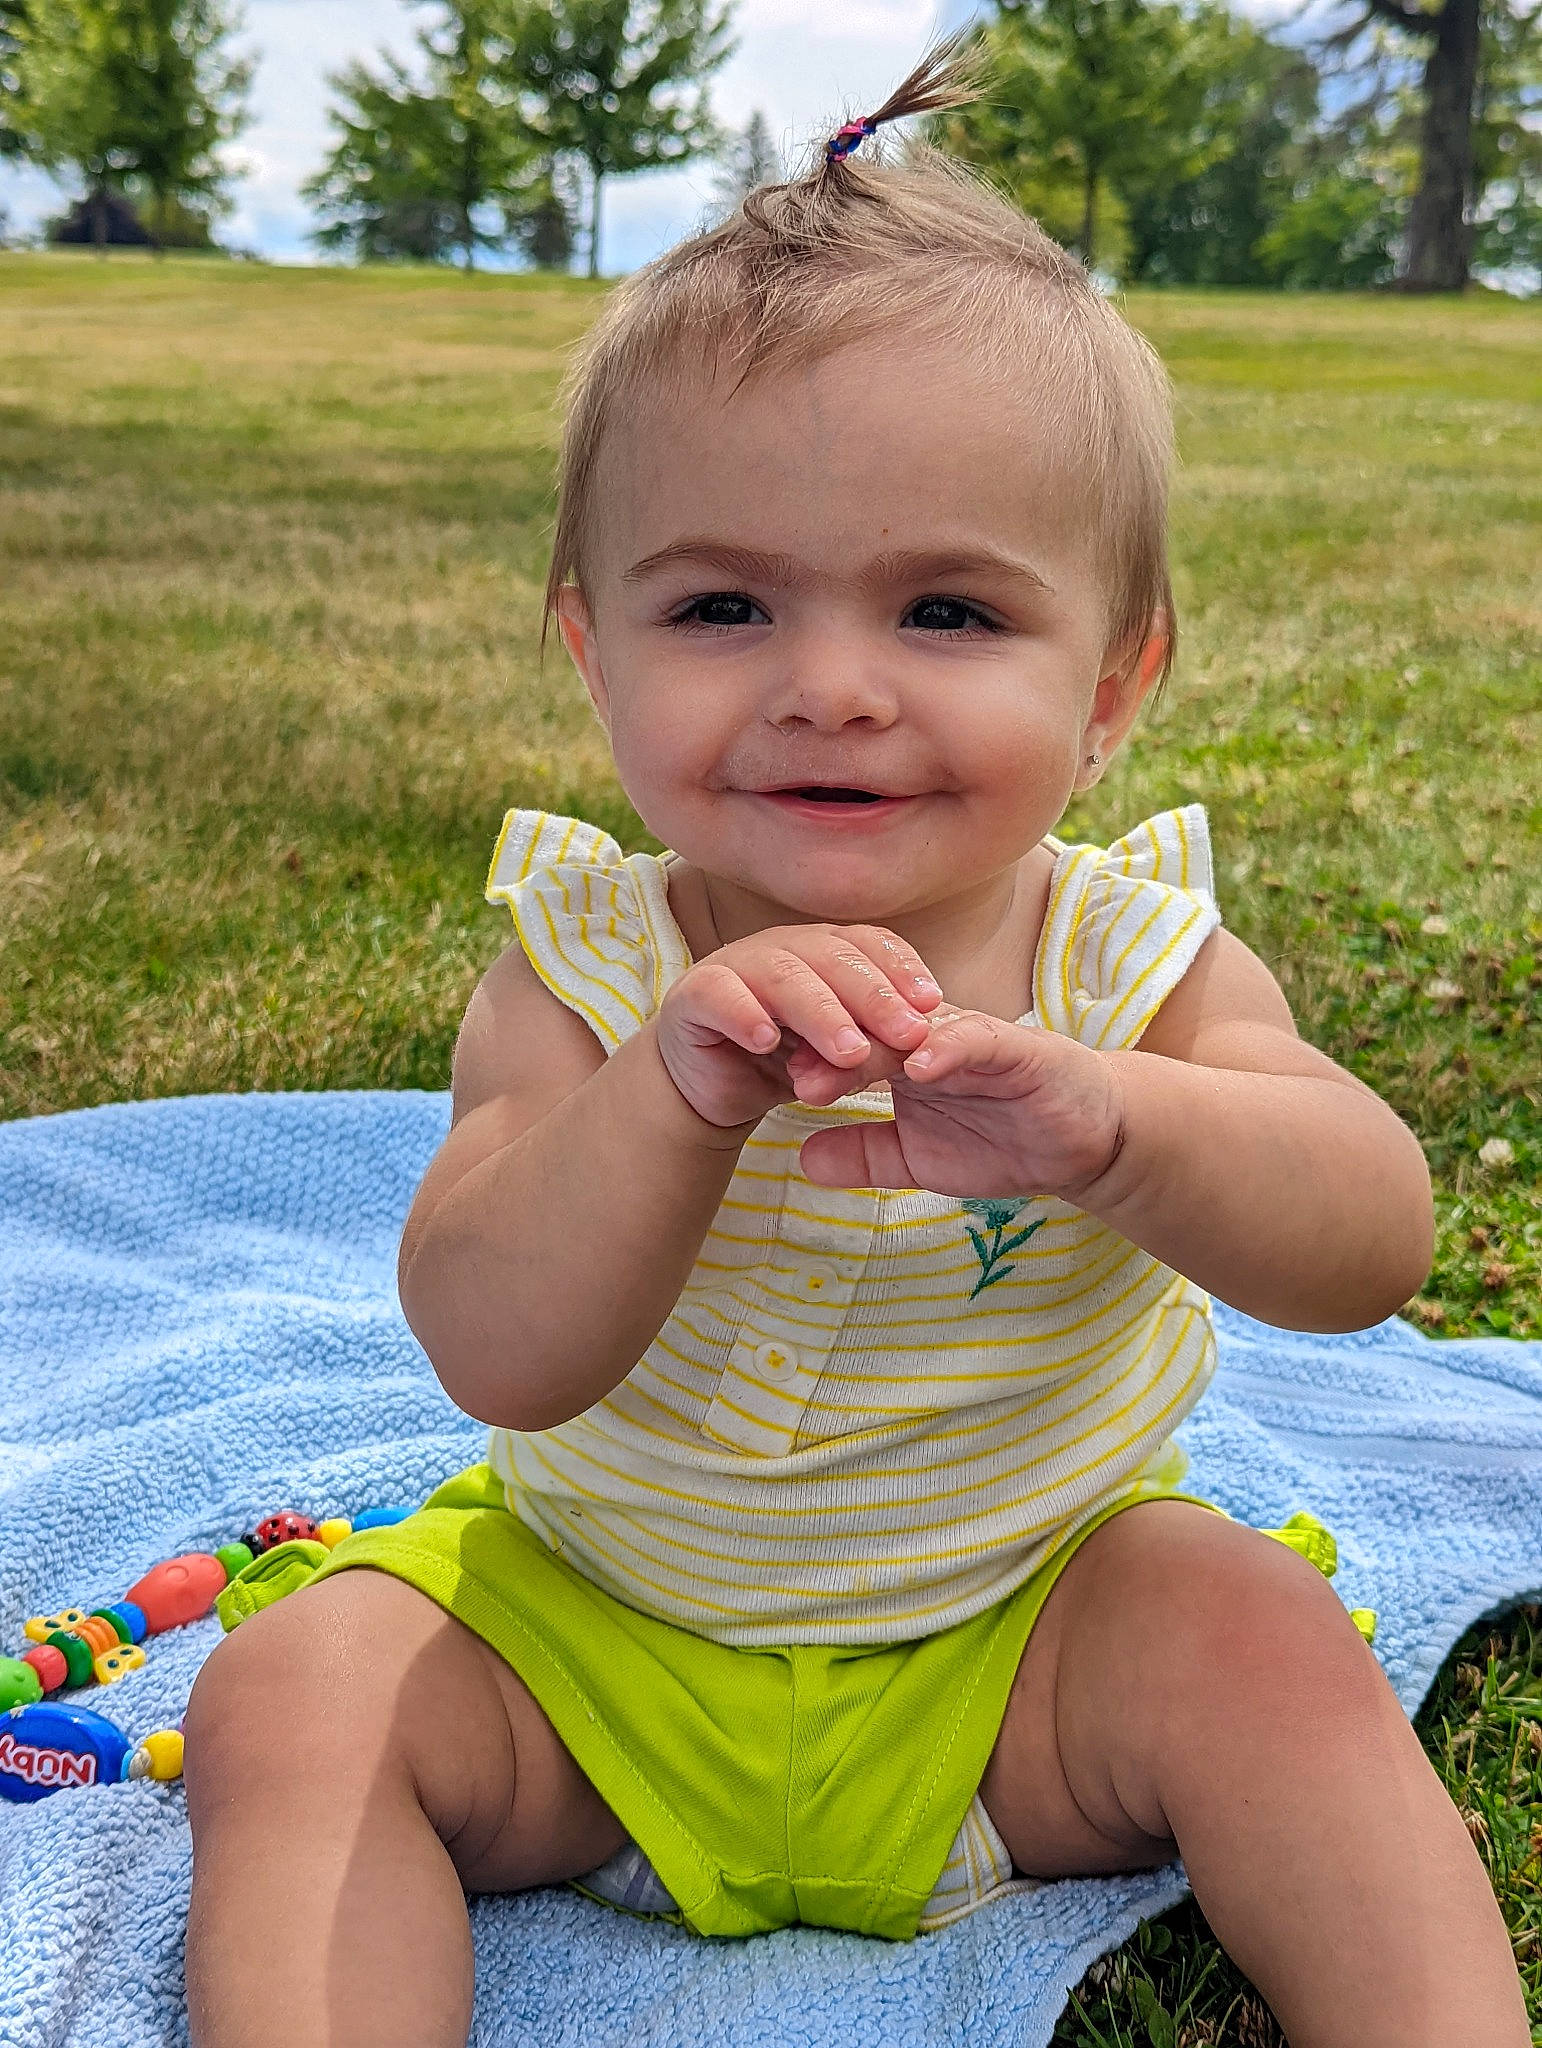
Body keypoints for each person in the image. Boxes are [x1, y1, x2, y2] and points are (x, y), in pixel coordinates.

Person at [180, 32, 1529, 2048]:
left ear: (1113, 681)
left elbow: (1368, 1239)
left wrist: (1123, 1126)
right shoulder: (582, 961)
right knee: (292, 1696)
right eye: (723, 607)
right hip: (593, 1660)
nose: (828, 689)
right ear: (591, 646)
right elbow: (494, 1338)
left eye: (950, 616)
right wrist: (668, 1093)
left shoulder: (1126, 952)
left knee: (1252, 1627)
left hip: (1026, 1665)